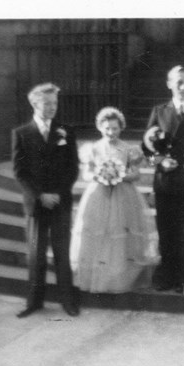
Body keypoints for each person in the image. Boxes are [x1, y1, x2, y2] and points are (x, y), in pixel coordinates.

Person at [70, 107, 159, 293]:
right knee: (100, 234)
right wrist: (100, 176)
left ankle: (119, 278)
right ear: (100, 128)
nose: (111, 132)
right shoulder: (93, 149)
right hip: (99, 195)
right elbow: (86, 174)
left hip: (123, 195)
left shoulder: (128, 149)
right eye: (107, 128)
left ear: (121, 128)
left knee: (120, 235)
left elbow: (136, 175)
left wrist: (120, 175)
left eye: (115, 129)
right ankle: (98, 278)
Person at [12, 83, 80, 318]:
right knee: (36, 254)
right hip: (36, 203)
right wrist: (40, 195)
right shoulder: (21, 133)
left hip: (60, 201)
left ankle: (68, 301)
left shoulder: (66, 131)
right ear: (34, 104)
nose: (52, 107)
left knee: (62, 253)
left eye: (54, 103)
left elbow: (72, 168)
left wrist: (58, 194)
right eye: (47, 103)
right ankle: (34, 301)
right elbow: (20, 171)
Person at [141, 65, 184, 293]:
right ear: (169, 83)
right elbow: (146, 150)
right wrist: (159, 162)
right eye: (178, 82)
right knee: (166, 231)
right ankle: (166, 275)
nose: (182, 87)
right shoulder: (159, 111)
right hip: (166, 181)